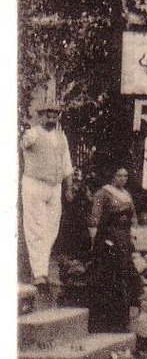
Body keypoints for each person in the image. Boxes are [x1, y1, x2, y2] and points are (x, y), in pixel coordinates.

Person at [21, 98, 74, 293]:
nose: (51, 117)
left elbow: (67, 165)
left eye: (55, 113)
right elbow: (22, 144)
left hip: (55, 186)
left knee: (51, 229)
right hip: (35, 183)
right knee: (36, 227)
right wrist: (26, 132)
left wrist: (68, 187)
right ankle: (39, 274)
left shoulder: (61, 136)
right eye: (47, 113)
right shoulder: (33, 133)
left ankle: (42, 269)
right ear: (40, 115)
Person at [87, 168, 142, 333]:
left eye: (126, 176)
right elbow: (94, 217)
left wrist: (134, 235)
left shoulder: (127, 195)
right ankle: (105, 323)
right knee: (110, 278)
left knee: (125, 276)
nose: (123, 179)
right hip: (108, 240)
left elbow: (133, 218)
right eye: (119, 175)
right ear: (112, 176)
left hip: (124, 240)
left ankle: (122, 321)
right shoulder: (103, 194)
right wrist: (94, 239)